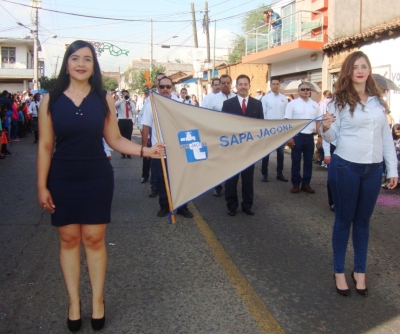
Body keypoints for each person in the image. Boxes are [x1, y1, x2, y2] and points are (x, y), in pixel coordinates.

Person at [37, 40, 164, 332]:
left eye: (87, 59)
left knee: (94, 240)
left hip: (97, 176)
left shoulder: (103, 97)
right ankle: (73, 303)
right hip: (62, 176)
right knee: (68, 239)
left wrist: (147, 150)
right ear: (66, 63)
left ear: (94, 66)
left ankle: (97, 301)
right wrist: (41, 185)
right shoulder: (50, 99)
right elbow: (45, 146)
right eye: (75, 58)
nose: (81, 64)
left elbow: (115, 140)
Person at [322, 51, 398, 297]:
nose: (360, 70)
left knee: (363, 222)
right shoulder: (338, 102)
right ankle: (339, 271)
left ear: (369, 70)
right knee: (344, 220)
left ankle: (360, 271)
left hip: (373, 170)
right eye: (355, 66)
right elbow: (334, 138)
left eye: (364, 66)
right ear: (348, 71)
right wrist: (325, 128)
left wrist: (392, 168)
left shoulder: (378, 101)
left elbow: (386, 137)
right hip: (347, 166)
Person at [141, 76, 194, 218]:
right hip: (159, 149)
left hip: (177, 149)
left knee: (180, 179)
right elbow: (146, 125)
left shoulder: (178, 102)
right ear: (158, 87)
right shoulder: (150, 103)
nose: (165, 89)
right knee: (161, 179)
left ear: (172, 88)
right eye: (162, 87)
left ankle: (182, 206)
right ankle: (164, 205)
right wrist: (145, 146)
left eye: (168, 87)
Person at [222, 74, 264, 216]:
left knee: (248, 179)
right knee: (231, 179)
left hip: (249, 149)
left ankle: (247, 205)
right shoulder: (228, 104)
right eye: (240, 84)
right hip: (233, 149)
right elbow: (224, 126)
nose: (243, 87)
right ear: (236, 86)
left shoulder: (257, 104)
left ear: (249, 86)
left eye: (245, 84)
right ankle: (231, 205)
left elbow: (260, 126)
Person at [285, 83, 322, 194]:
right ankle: (296, 184)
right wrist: (290, 137)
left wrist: (320, 136)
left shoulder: (315, 105)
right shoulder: (292, 104)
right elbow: (288, 122)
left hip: (310, 137)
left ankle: (306, 184)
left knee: (308, 162)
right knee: (296, 161)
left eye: (307, 89)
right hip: (297, 137)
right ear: (298, 91)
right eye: (303, 89)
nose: (305, 91)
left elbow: (318, 122)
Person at [207, 75, 236, 197]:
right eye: (222, 82)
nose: (225, 85)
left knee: (231, 162)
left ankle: (231, 186)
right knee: (218, 163)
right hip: (218, 136)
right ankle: (218, 186)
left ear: (231, 84)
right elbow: (206, 116)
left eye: (227, 82)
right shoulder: (212, 99)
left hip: (234, 137)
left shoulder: (236, 97)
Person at [260, 78, 288, 182]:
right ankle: (264, 173)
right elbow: (263, 114)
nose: (275, 86)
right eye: (273, 84)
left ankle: (279, 173)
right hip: (269, 129)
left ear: (279, 85)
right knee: (266, 153)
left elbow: (286, 114)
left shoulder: (284, 98)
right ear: (270, 86)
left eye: (277, 84)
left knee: (280, 153)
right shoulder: (265, 98)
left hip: (280, 130)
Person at [115, 89, 136, 158]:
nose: (125, 96)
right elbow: (115, 105)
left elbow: (135, 112)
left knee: (128, 137)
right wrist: (123, 100)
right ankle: (123, 152)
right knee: (122, 137)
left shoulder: (131, 103)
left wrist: (131, 107)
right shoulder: (119, 102)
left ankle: (128, 152)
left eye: (126, 94)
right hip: (121, 120)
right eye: (124, 94)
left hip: (129, 120)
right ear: (122, 95)